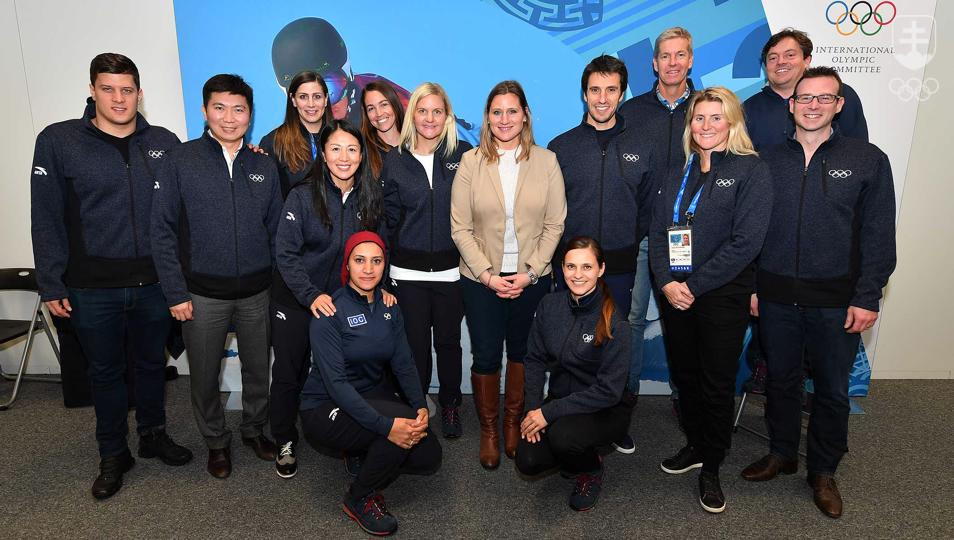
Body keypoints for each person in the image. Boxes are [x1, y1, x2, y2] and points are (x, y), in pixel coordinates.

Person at [30, 52, 192, 500]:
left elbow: (184, 205)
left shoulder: (164, 141)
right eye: (108, 88)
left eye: (127, 90)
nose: (118, 98)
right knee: (105, 374)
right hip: (90, 287)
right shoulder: (59, 141)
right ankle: (112, 453)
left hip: (154, 285)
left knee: (151, 366)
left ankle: (153, 435)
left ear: (140, 94)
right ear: (92, 90)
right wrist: (51, 281)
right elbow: (45, 218)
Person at [742, 67, 896, 519]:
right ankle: (783, 453)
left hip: (837, 300)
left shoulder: (868, 159)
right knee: (782, 381)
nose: (812, 105)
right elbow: (750, 232)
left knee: (830, 389)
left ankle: (824, 471)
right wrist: (753, 286)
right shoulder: (765, 160)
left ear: (839, 104)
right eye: (805, 98)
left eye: (823, 98)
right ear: (791, 104)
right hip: (774, 297)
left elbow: (878, 233)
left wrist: (868, 295)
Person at [151, 74, 282, 479]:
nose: (230, 118)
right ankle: (216, 442)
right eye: (220, 108)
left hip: (257, 293)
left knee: (259, 371)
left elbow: (277, 231)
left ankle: (254, 430)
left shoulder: (263, 164)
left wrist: (278, 288)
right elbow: (162, 230)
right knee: (205, 376)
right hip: (201, 295)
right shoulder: (181, 160)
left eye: (239, 109)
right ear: (205, 110)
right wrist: (175, 292)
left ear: (250, 114)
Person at [649, 86, 772, 513]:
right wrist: (666, 282)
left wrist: (694, 286)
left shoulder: (750, 171)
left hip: (720, 296)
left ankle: (712, 467)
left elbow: (745, 243)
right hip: (674, 295)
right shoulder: (675, 172)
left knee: (716, 382)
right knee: (685, 376)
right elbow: (658, 234)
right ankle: (697, 445)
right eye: (698, 118)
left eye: (715, 118)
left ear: (732, 123)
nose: (705, 126)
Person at [450, 80, 566, 469]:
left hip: (532, 280)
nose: (504, 119)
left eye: (512, 111)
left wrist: (531, 273)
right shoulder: (470, 162)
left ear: (526, 115)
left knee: (522, 352)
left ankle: (514, 422)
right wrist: (486, 274)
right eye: (496, 112)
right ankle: (489, 429)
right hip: (481, 280)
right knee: (485, 354)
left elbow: (555, 225)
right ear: (487, 117)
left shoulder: (546, 162)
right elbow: (460, 228)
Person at [548, 54, 658, 454]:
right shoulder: (561, 147)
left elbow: (648, 208)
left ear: (622, 92)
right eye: (595, 89)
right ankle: (566, 410)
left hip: (621, 263)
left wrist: (625, 245)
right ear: (584, 93)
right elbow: (553, 208)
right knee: (570, 337)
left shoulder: (641, 146)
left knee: (618, 338)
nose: (602, 98)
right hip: (572, 266)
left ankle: (616, 417)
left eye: (611, 89)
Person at [300, 231, 441, 536]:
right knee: (395, 433)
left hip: (369, 395)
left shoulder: (389, 306)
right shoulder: (330, 311)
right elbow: (337, 385)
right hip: (325, 405)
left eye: (376, 261)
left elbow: (404, 363)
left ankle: (361, 448)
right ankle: (358, 497)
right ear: (347, 266)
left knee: (429, 453)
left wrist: (419, 405)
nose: (368, 269)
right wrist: (385, 426)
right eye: (359, 260)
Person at [271, 119, 388, 478]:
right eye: (335, 148)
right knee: (290, 372)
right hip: (296, 299)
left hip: (342, 304)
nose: (344, 156)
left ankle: (349, 439)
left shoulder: (370, 197)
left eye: (352, 149)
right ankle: (285, 439)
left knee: (344, 374)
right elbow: (286, 253)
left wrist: (380, 289)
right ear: (323, 153)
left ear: (361, 155)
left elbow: (378, 250)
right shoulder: (303, 195)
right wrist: (310, 296)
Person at [618, 26, 698, 443]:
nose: (672, 63)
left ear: (690, 60)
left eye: (680, 55)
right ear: (654, 63)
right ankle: (625, 399)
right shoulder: (632, 111)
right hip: (639, 235)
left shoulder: (705, 109)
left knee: (680, 317)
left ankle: (685, 398)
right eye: (665, 56)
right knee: (630, 319)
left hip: (683, 237)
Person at [381, 82, 473, 438]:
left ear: (447, 115)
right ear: (412, 115)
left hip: (452, 271)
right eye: (422, 110)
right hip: (407, 273)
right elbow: (387, 218)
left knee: (449, 344)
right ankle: (418, 408)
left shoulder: (463, 154)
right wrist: (386, 272)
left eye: (437, 111)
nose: (429, 118)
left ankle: (450, 405)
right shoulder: (396, 159)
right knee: (415, 347)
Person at [515, 236, 631, 511]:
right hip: (560, 400)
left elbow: (608, 391)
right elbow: (533, 359)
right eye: (571, 266)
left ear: (601, 269)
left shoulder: (615, 321)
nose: (577, 275)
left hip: (604, 408)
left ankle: (590, 469)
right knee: (527, 461)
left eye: (587, 267)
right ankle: (570, 456)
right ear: (562, 269)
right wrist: (533, 410)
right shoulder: (549, 306)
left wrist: (549, 414)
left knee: (564, 438)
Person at [743, 28, 867, 151]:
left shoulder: (837, 94)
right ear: (765, 66)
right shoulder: (748, 108)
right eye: (773, 58)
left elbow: (859, 152)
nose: (780, 62)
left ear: (807, 60)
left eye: (790, 55)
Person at [259, 70, 334, 197]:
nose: (311, 104)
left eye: (317, 96)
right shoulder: (273, 142)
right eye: (303, 97)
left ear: (326, 99)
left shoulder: (343, 138)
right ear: (293, 100)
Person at [360, 81, 406, 181]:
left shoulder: (416, 146)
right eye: (371, 108)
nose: (379, 113)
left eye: (384, 104)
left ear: (395, 104)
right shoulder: (363, 153)